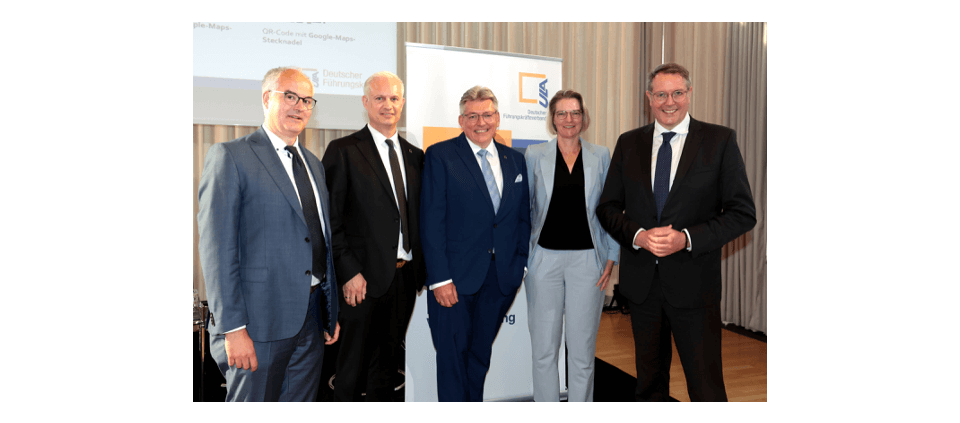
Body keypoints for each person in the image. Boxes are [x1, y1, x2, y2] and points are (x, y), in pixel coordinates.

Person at [596, 63, 756, 402]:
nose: (669, 102)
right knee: (649, 386)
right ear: (649, 98)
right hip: (642, 289)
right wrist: (638, 235)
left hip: (695, 287)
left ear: (689, 94)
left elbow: (743, 214)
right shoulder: (628, 143)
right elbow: (607, 208)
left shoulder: (719, 141)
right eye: (661, 95)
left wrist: (687, 238)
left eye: (677, 93)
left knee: (706, 388)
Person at [197, 67, 340, 401]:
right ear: (266, 99)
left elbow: (320, 239)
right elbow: (217, 250)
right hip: (256, 325)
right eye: (290, 96)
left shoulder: (313, 164)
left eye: (307, 100)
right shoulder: (231, 156)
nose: (300, 106)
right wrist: (233, 329)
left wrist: (330, 309)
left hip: (311, 318)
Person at [419, 86, 530, 402]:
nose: (480, 122)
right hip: (454, 281)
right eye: (472, 116)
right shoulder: (441, 155)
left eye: (487, 115)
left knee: (479, 358)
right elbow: (431, 220)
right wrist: (440, 278)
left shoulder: (515, 160)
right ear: (461, 120)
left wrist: (520, 265)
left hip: (500, 279)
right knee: (452, 361)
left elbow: (522, 218)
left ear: (497, 117)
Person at [321, 71, 424, 401]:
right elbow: (330, 220)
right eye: (379, 98)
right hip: (361, 283)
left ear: (402, 103)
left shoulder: (415, 156)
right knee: (351, 370)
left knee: (387, 369)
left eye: (394, 98)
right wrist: (349, 272)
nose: (387, 105)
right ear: (366, 102)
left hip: (404, 280)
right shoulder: (343, 150)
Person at [523, 90, 618, 402]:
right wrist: (525, 257)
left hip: (588, 263)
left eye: (575, 112)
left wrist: (611, 257)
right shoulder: (534, 155)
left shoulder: (600, 155)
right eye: (562, 113)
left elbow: (611, 209)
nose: (569, 119)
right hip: (543, 261)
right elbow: (525, 210)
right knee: (543, 351)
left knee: (582, 351)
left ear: (583, 117)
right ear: (552, 119)